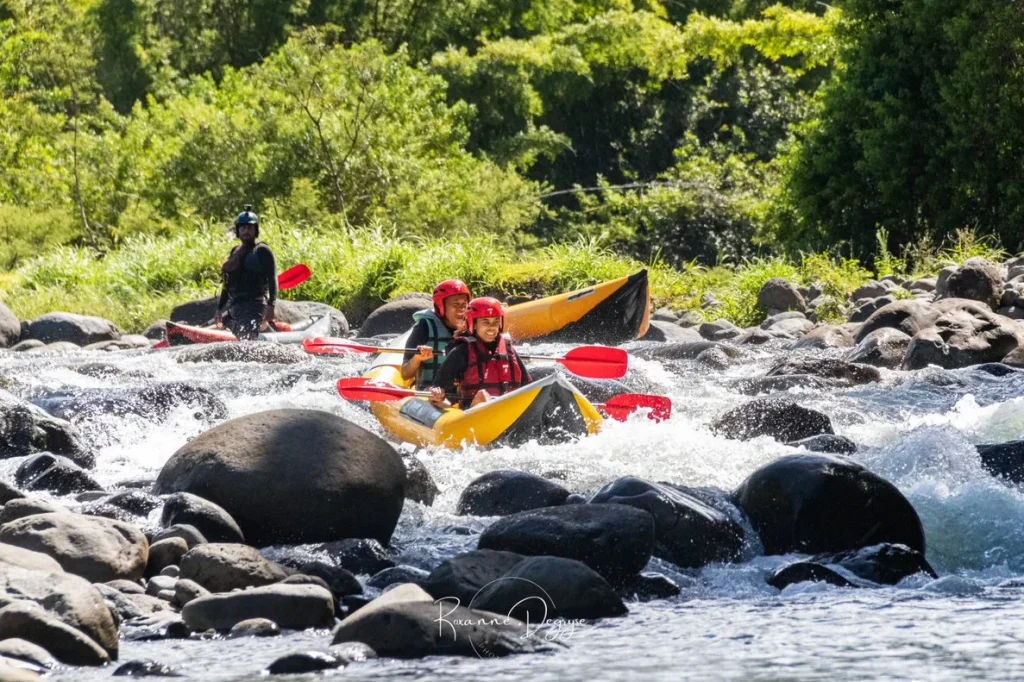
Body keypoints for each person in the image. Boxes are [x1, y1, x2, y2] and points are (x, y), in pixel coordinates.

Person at [429, 297, 531, 409]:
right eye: (485, 322)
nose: (492, 328)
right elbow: (438, 385)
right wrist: (436, 391)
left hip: (508, 410)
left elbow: (527, 385)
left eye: (496, 322)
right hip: (472, 412)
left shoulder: (507, 349)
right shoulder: (461, 352)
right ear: (474, 324)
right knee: (483, 395)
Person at [215, 205, 278, 340]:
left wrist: (271, 305)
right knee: (241, 341)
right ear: (238, 231)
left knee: (247, 343)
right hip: (236, 306)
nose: (246, 231)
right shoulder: (235, 251)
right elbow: (227, 284)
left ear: (256, 230)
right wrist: (219, 308)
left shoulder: (262, 251)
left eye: (249, 228)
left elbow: (273, 279)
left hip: (255, 305)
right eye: (243, 228)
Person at [401, 279, 471, 389]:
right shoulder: (424, 328)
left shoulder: (474, 327)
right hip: (430, 393)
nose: (461, 309)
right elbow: (405, 374)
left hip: (462, 397)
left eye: (464, 304)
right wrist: (417, 358)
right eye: (455, 304)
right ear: (441, 306)